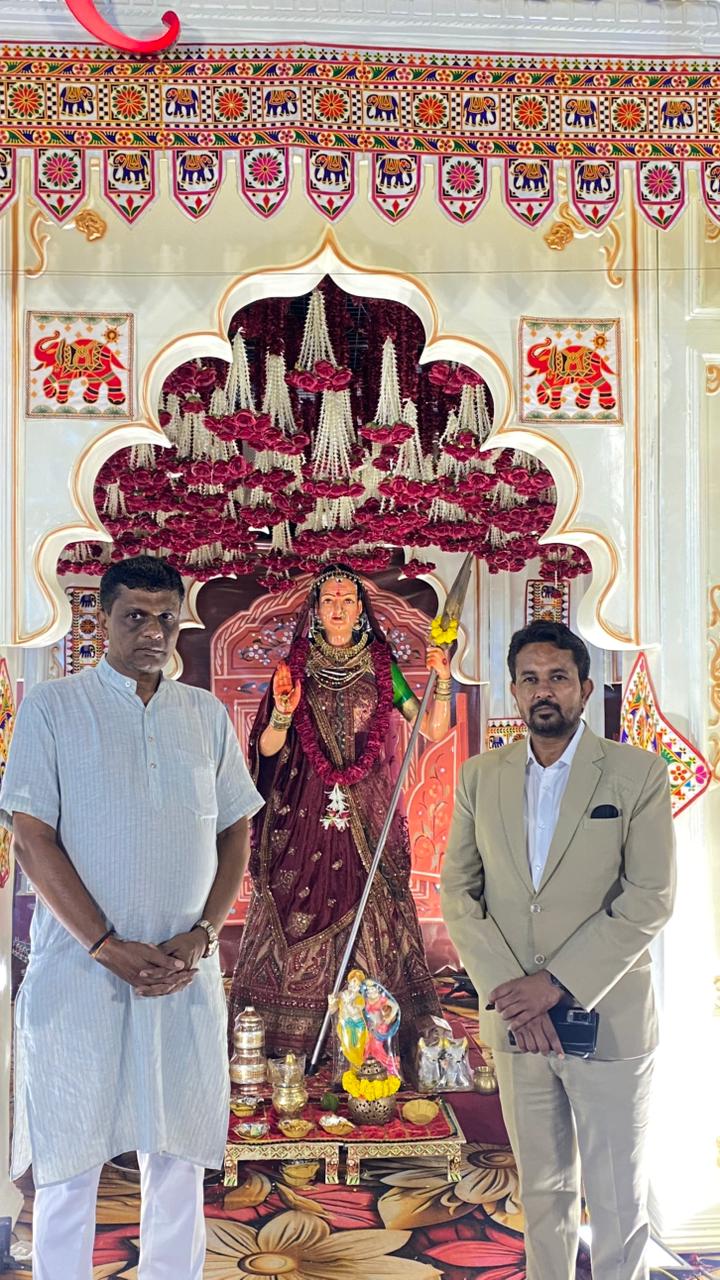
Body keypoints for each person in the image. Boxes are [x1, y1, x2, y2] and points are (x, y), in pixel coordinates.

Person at [0, 554, 263, 1280]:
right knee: (68, 1156)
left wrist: (203, 935)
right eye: (134, 617)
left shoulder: (204, 716)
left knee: (177, 1158)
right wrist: (105, 944)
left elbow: (235, 831)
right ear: (104, 619)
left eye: (164, 618)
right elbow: (32, 837)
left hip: (181, 975)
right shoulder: (54, 707)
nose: (151, 631)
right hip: (78, 975)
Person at [440, 620, 675, 1280]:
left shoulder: (636, 773)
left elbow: (650, 897)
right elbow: (459, 892)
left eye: (558, 677)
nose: (544, 690)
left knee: (617, 1199)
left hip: (608, 1021)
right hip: (519, 1025)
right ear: (514, 691)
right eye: (531, 679)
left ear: (585, 688)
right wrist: (514, 995)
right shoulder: (480, 777)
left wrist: (554, 985)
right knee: (541, 1195)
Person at [229, 563, 450, 1065]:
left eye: (347, 600)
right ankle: (288, 1041)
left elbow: (432, 729)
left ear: (360, 609)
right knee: (293, 901)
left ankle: (374, 1043)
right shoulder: (293, 668)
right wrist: (283, 713)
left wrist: (442, 680)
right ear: (315, 609)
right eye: (328, 600)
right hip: (302, 813)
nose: (338, 609)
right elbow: (267, 749)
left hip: (368, 813)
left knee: (373, 900)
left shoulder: (381, 666)